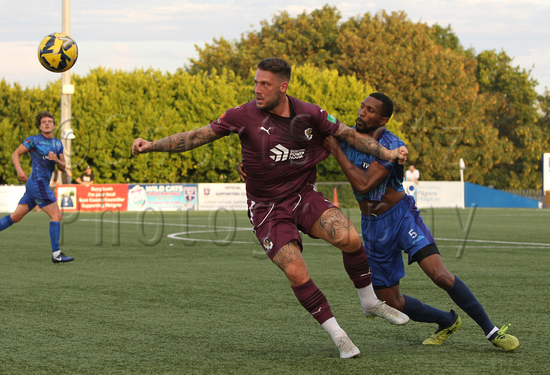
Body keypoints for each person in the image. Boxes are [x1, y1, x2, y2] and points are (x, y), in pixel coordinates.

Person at [132, 58, 410, 359]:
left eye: (265, 84)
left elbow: (349, 135)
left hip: (303, 195)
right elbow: (197, 136)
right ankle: (339, 335)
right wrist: (153, 145)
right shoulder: (242, 115)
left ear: (283, 86)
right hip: (266, 208)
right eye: (255, 83)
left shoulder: (309, 113)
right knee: (295, 268)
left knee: (350, 238)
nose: (257, 89)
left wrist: (388, 152)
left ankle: (369, 303)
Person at [323, 92, 519, 352]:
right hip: (373, 226)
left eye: (370, 110)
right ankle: (447, 321)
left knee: (441, 276)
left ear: (383, 118)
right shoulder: (347, 135)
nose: (362, 112)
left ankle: (492, 331)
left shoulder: (391, 144)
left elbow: (364, 183)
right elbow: (309, 131)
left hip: (401, 217)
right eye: (362, 107)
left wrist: (336, 151)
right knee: (391, 301)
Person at [0, 111, 74, 264]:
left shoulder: (58, 144)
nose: (47, 123)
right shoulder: (33, 140)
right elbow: (15, 154)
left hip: (36, 186)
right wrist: (19, 170)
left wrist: (56, 160)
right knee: (57, 215)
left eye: (50, 121)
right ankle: (56, 254)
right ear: (40, 126)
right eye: (44, 122)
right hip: (37, 183)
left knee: (16, 217)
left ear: (54, 125)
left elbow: (63, 167)